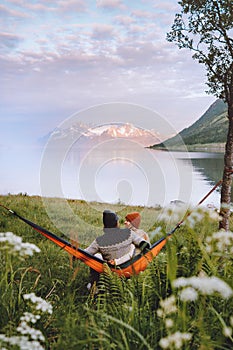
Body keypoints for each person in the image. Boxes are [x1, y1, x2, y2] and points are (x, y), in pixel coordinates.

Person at [85, 209, 150, 288]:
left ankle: (94, 283)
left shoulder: (98, 241)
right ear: (116, 223)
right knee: (133, 248)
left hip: (110, 272)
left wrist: (74, 251)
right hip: (128, 269)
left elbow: (86, 253)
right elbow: (145, 245)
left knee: (97, 256)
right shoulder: (129, 233)